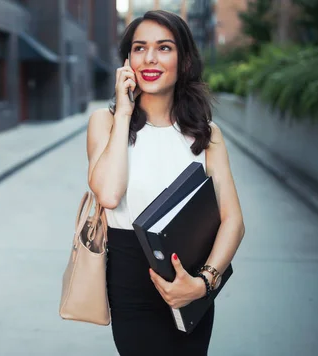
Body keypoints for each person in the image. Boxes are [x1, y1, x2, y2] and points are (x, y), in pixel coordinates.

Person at [86, 10, 245, 356]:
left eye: (164, 47)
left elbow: (233, 220)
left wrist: (203, 283)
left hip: (192, 280)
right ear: (127, 60)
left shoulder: (207, 134)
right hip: (130, 283)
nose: (151, 58)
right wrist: (125, 113)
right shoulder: (105, 123)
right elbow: (110, 194)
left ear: (184, 61)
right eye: (140, 48)